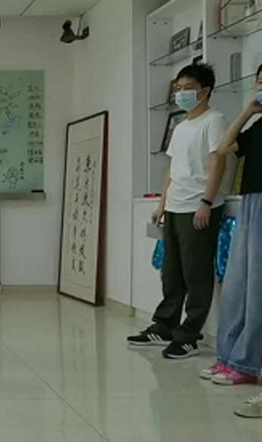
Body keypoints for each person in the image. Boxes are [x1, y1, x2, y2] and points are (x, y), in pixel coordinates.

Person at [128, 63, 228, 359]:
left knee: (196, 274)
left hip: (199, 207)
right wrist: (162, 204)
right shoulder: (182, 126)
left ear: (205, 91)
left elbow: (218, 163)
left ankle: (189, 335)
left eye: (188, 88)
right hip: (174, 206)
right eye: (179, 88)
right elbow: (172, 169)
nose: (182, 93)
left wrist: (206, 202)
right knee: (171, 272)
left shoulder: (215, 120)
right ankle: (165, 325)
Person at [198, 64, 262, 404]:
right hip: (251, 203)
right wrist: (248, 111)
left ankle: (247, 362)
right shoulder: (257, 126)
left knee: (257, 289)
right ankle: (228, 356)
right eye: (260, 82)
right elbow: (223, 147)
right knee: (237, 285)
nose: (261, 87)